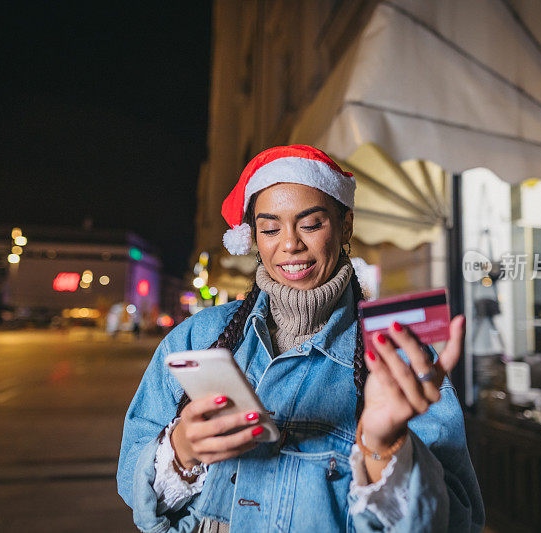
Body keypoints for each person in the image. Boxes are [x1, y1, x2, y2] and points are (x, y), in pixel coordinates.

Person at [117, 145, 484, 532]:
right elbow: (134, 481)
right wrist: (182, 452)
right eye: (270, 228)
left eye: (310, 224)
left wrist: (385, 448)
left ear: (346, 226)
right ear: (253, 238)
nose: (289, 243)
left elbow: (460, 521)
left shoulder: (397, 355)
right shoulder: (196, 336)